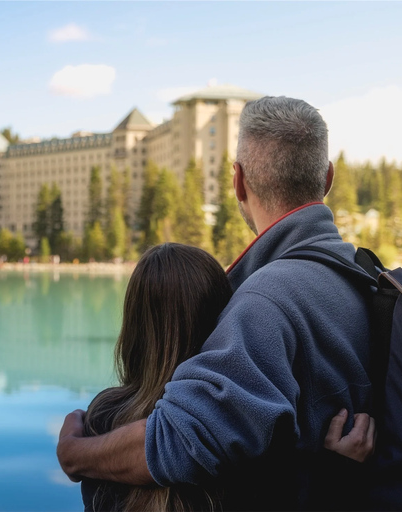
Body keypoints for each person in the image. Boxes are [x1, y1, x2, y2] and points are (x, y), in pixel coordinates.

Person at [59, 96, 376, 510]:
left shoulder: (265, 302)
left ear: (238, 181)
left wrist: (74, 454)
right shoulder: (359, 274)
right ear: (327, 178)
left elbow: (183, 441)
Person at [80, 243, 375, 512]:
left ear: (134, 325)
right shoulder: (243, 426)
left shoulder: (102, 417)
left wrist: (73, 450)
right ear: (223, 313)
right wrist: (341, 470)